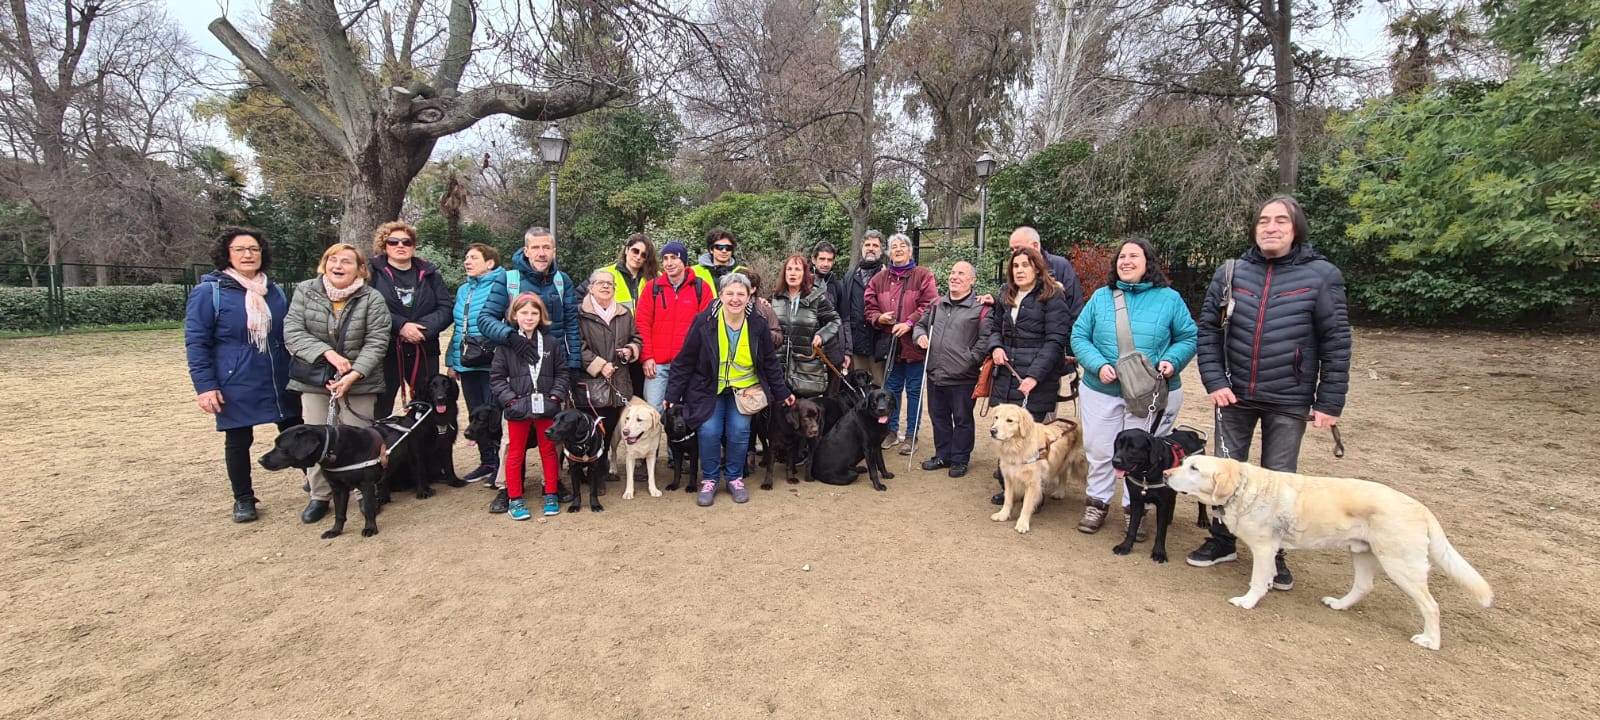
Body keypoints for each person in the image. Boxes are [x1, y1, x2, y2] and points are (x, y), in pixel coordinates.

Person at [1186, 194, 1352, 591]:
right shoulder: (1231, 273)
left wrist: (1329, 401)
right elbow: (1208, 330)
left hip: (1290, 398)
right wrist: (1215, 381)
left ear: (1295, 229)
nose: (1271, 227)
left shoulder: (1321, 276)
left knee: (1280, 480)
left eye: (1280, 220)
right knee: (1223, 474)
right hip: (1233, 394)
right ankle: (1222, 540)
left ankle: (1275, 554)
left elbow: (1336, 341)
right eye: (1264, 220)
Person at [1069, 236, 1198, 534]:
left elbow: (1187, 337)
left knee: (1142, 454)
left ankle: (1135, 508)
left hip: (1149, 391)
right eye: (1122, 257)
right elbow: (1079, 336)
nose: (1126, 261)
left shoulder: (1170, 299)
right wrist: (1098, 364)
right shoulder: (1101, 297)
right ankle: (1097, 502)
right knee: (1100, 448)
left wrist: (1171, 361)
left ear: (1148, 262)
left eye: (1134, 256)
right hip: (1103, 388)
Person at [184, 227, 301, 523]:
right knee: (238, 439)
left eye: (254, 249)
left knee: (296, 430)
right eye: (240, 249)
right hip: (235, 377)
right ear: (227, 254)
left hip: (278, 374)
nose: (248, 255)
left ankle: (318, 484)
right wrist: (205, 386)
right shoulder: (209, 292)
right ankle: (244, 498)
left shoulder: (273, 291)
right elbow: (197, 342)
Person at [283, 243, 392, 525]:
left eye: (346, 261)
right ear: (324, 264)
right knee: (314, 440)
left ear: (360, 269)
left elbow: (377, 340)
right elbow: (293, 331)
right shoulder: (306, 290)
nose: (338, 265)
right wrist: (328, 354)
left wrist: (353, 374)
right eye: (333, 259)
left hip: (360, 381)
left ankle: (363, 495)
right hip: (315, 378)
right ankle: (320, 495)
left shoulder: (372, 298)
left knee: (361, 439)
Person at [664, 273, 794, 507]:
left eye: (741, 294)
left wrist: (783, 392)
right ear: (721, 295)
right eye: (730, 293)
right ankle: (711, 480)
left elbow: (769, 362)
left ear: (749, 296)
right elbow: (685, 360)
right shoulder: (704, 322)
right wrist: (672, 394)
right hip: (708, 388)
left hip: (744, 389)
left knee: (739, 431)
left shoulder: (758, 324)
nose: (735, 299)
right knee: (709, 431)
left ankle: (735, 478)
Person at [985, 246, 1071, 504]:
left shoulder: (1053, 295)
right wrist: (996, 346)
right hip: (1006, 373)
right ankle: (1009, 486)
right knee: (1004, 430)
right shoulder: (1005, 294)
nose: (1020, 270)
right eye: (1015, 266)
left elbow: (1056, 340)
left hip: (1036, 376)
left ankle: (1036, 491)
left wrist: (1035, 375)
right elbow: (993, 326)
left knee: (1032, 438)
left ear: (1037, 267)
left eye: (1025, 265)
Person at [489, 292, 572, 520]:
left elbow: (562, 372)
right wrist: (511, 400)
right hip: (518, 407)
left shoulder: (552, 343)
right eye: (524, 312)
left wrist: (555, 396)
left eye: (534, 313)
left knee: (548, 450)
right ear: (515, 315)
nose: (529, 317)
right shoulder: (505, 346)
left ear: (541, 316)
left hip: (546, 405)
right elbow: (496, 378)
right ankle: (515, 498)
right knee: (515, 452)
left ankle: (551, 493)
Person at [864, 233, 938, 454]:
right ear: (888, 252)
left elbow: (930, 305)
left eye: (902, 246)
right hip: (891, 345)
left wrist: (909, 322)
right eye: (893, 247)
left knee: (914, 390)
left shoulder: (924, 276)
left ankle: (911, 435)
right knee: (890, 390)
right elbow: (869, 306)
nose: (897, 250)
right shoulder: (879, 279)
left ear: (910, 251)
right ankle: (891, 431)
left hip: (915, 344)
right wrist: (879, 318)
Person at [367, 221, 452, 414]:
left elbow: (446, 308)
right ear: (384, 245)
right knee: (380, 407)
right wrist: (401, 326)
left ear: (413, 246)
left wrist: (422, 329)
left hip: (423, 348)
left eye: (406, 242)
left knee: (427, 405)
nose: (400, 246)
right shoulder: (372, 274)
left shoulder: (430, 274)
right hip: (386, 349)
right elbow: (368, 308)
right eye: (393, 242)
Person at [913, 261, 987, 478]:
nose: (955, 276)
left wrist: (970, 360)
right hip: (935, 372)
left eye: (961, 273)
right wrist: (920, 336)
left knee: (962, 418)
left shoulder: (980, 308)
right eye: (953, 272)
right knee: (939, 416)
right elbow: (919, 325)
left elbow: (984, 341)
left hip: (963, 376)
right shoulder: (937, 304)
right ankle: (943, 454)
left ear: (972, 280)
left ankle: (960, 458)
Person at [445, 242, 509, 486]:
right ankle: (487, 462)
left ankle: (500, 465)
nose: (467, 262)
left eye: (473, 258)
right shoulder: (463, 290)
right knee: (475, 415)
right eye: (466, 258)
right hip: (467, 363)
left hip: (493, 363)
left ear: (490, 263)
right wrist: (452, 360)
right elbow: (458, 327)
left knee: (494, 416)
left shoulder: (502, 285)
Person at [480, 226, 581, 373]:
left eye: (546, 248)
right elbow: (485, 319)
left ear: (554, 252)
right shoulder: (509, 280)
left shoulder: (562, 281)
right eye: (535, 248)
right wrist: (511, 337)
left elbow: (572, 325)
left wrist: (574, 364)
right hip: (516, 363)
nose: (541, 253)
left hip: (554, 364)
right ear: (526, 252)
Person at [636, 241, 714, 412]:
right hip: (657, 364)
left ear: (684, 261)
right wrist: (647, 357)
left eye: (674, 258)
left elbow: (708, 328)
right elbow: (642, 324)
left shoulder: (701, 288)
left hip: (689, 364)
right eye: (665, 258)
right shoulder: (652, 288)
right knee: (653, 413)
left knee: (688, 412)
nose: (669, 263)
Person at [575, 268, 642, 464]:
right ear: (590, 288)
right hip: (591, 384)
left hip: (618, 383)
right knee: (590, 430)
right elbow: (576, 344)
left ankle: (601, 470)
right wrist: (599, 365)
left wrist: (631, 349)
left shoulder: (624, 312)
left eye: (610, 284)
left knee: (610, 429)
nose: (606, 286)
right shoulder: (579, 313)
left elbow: (636, 337)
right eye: (600, 283)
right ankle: (584, 469)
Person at [771, 254, 841, 398]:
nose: (792, 273)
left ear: (805, 273)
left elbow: (834, 320)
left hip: (806, 367)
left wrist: (822, 335)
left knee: (804, 414)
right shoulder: (774, 299)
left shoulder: (815, 298)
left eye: (797, 269)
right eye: (789, 269)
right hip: (779, 367)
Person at [1008, 226, 1085, 321]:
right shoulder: (1015, 268)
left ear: (1035, 246)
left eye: (1018, 248)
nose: (1014, 253)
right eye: (1012, 250)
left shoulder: (1060, 267)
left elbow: (1075, 308)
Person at [841, 230, 886, 384]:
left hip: (879, 345)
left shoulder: (888, 276)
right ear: (862, 248)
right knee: (857, 393)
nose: (871, 248)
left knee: (879, 391)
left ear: (881, 250)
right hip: (856, 343)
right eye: (867, 244)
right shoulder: (850, 276)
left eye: (875, 245)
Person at [810, 241, 850, 389]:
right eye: (822, 259)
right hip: (810, 345)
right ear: (814, 259)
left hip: (833, 348)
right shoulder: (803, 282)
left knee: (832, 395)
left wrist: (847, 351)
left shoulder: (838, 286)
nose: (826, 263)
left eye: (829, 260)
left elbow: (844, 319)